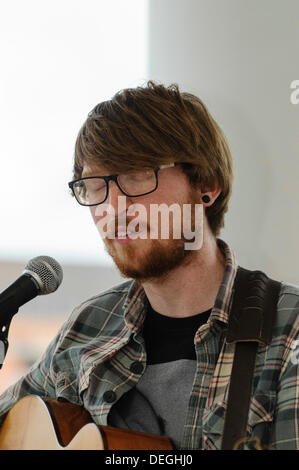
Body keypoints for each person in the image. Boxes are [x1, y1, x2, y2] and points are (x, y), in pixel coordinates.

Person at [0, 81, 298, 450]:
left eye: (137, 175)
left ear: (207, 185)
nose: (114, 208)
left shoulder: (288, 331)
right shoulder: (87, 328)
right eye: (94, 185)